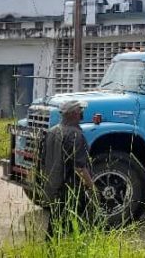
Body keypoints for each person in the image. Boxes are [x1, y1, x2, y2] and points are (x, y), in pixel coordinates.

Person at [40, 100, 96, 237]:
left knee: (55, 226)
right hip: (71, 190)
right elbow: (80, 168)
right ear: (74, 113)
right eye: (80, 110)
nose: (82, 113)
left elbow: (42, 161)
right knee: (77, 227)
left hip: (53, 187)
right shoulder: (76, 135)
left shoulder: (51, 131)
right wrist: (92, 188)